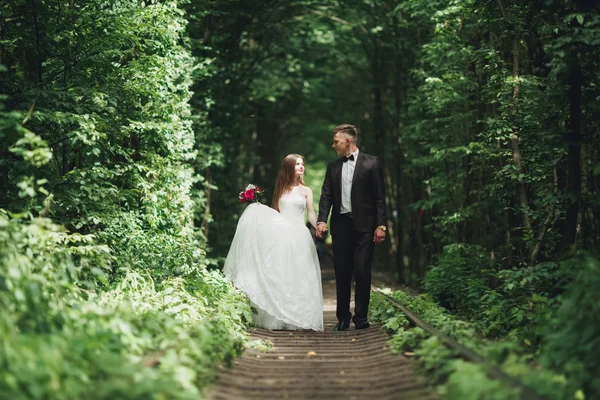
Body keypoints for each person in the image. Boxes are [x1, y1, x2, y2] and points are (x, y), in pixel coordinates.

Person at [223, 154, 324, 331]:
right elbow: (276, 212)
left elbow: (311, 213)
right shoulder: (281, 188)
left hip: (299, 234)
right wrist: (256, 206)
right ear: (289, 167)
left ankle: (299, 316)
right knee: (281, 273)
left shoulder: (306, 191)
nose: (301, 167)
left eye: (302, 164)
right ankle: (280, 316)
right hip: (281, 233)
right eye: (297, 164)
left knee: (300, 274)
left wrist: (318, 226)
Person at [316, 124, 387, 331]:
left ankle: (361, 318)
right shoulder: (333, 166)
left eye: (336, 141)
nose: (333, 145)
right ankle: (343, 318)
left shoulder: (372, 163)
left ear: (348, 141)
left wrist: (381, 225)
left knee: (362, 269)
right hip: (341, 226)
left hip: (365, 227)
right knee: (342, 271)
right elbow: (326, 196)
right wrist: (322, 220)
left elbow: (379, 197)